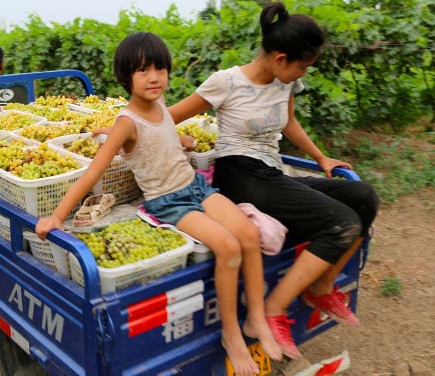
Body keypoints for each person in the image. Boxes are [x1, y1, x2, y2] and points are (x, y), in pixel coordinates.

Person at [35, 31, 282, 376]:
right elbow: (94, 171)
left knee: (247, 234)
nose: (154, 77)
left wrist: (182, 138)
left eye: (160, 68)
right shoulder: (127, 122)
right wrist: (58, 216)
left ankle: (256, 318)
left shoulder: (161, 105)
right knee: (228, 247)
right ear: (125, 78)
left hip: (195, 186)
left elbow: (159, 133)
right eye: (142, 70)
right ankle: (231, 334)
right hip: (169, 201)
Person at [169, 2, 380, 360]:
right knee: (343, 223)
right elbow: (168, 117)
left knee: (364, 197)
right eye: (303, 65)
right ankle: (271, 310)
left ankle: (322, 285)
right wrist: (177, 141)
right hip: (239, 173)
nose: (304, 74)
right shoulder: (227, 82)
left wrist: (320, 158)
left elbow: (287, 123)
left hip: (272, 172)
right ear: (280, 58)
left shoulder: (287, 82)